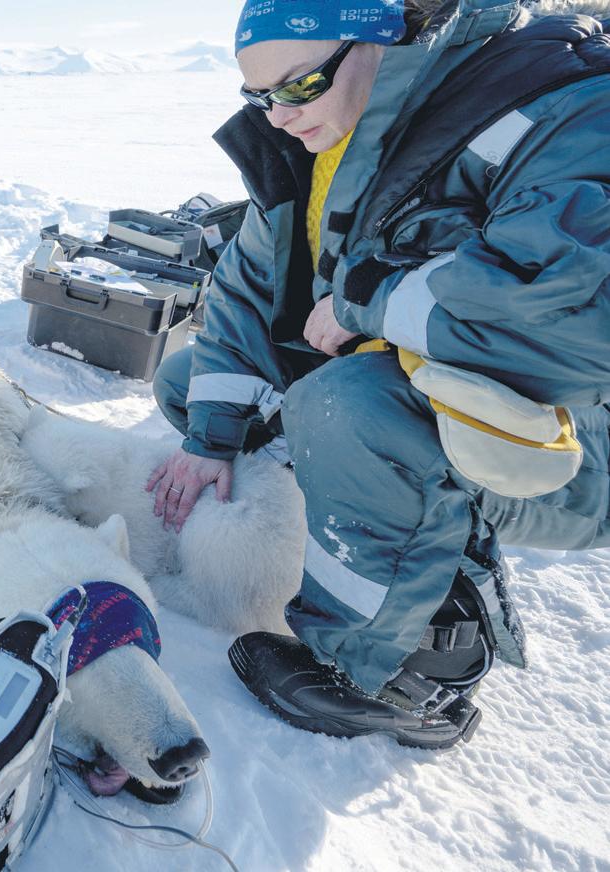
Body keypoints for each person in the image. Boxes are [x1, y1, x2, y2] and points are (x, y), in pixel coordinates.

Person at [147, 0, 610, 749]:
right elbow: (241, 290)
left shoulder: (564, 97)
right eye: (258, 97)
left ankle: (401, 676)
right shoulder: (330, 135)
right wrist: (207, 437)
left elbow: (578, 313)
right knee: (194, 383)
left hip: (569, 434)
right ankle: (367, 521)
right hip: (427, 389)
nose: (276, 117)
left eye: (296, 87)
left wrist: (369, 301)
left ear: (381, 37)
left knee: (346, 406)